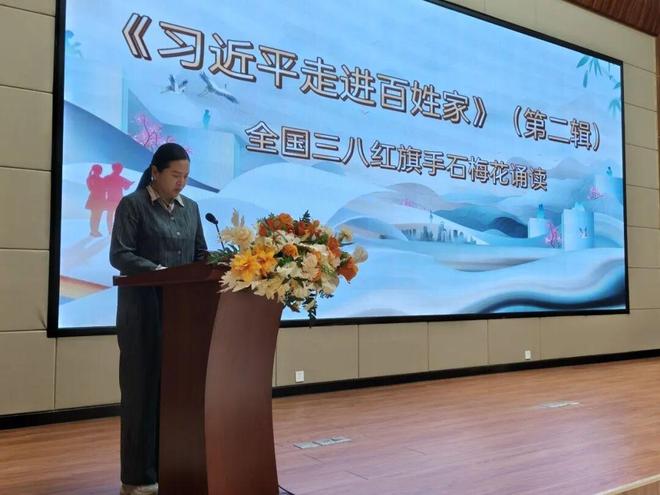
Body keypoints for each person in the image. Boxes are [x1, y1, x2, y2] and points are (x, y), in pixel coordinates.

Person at [110, 143, 207, 495]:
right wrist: (159, 271)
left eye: (186, 177)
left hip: (181, 316)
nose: (181, 182)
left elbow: (200, 254)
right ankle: (139, 479)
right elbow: (120, 254)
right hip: (142, 313)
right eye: (175, 175)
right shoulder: (133, 205)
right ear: (155, 172)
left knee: (176, 393)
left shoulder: (191, 208)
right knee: (142, 393)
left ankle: (173, 467)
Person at [105, 162, 134, 234]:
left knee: (110, 215)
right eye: (120, 169)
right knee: (118, 216)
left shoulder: (107, 177)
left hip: (110, 198)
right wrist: (129, 184)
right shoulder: (121, 179)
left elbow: (104, 187)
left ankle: (110, 231)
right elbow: (126, 188)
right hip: (118, 199)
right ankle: (116, 231)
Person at [85, 164, 106, 237]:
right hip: (98, 199)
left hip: (95, 199)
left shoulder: (90, 178)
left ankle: (94, 231)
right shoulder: (96, 179)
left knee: (95, 216)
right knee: (96, 216)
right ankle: (94, 231)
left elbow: (91, 188)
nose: (100, 171)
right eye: (100, 170)